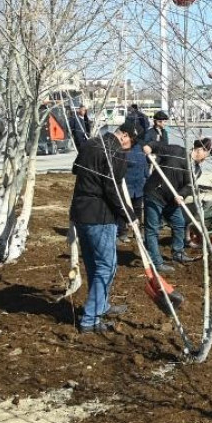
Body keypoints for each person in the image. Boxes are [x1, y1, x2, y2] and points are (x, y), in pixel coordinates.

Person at [69, 120, 137, 334]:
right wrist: (129, 215)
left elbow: (75, 169)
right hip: (100, 215)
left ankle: (102, 304)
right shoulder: (115, 152)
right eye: (131, 143)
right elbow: (112, 189)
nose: (130, 148)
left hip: (80, 212)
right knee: (107, 266)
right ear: (124, 135)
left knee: (93, 265)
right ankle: (90, 319)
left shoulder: (91, 143)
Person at [142, 138, 212, 272]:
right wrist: (149, 146)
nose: (207, 158)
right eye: (207, 154)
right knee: (153, 229)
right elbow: (157, 146)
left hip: (171, 199)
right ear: (200, 149)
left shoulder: (197, 170)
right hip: (155, 193)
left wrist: (181, 194)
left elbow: (189, 186)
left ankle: (178, 253)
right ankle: (156, 262)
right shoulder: (176, 151)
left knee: (179, 222)